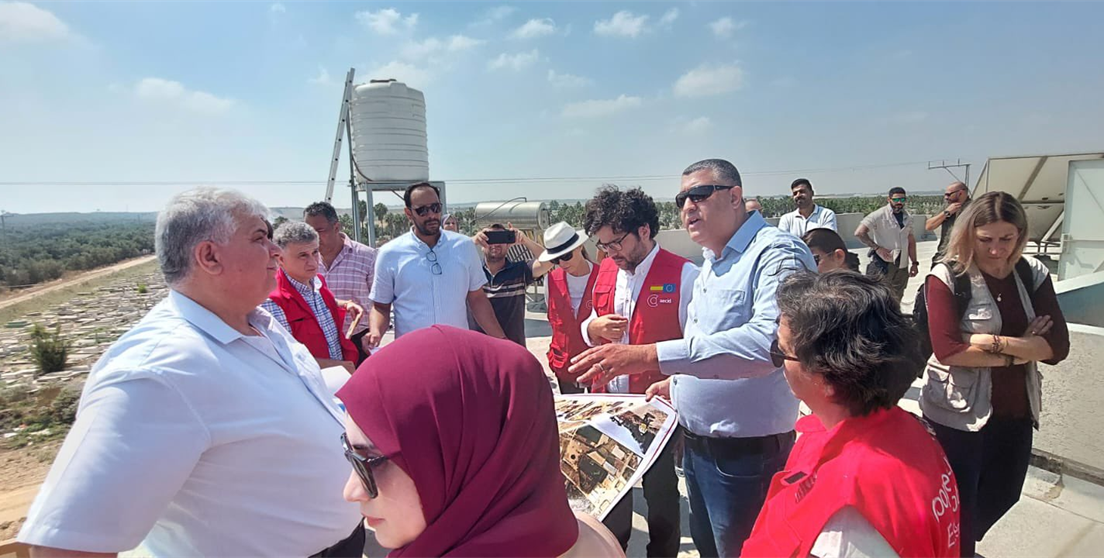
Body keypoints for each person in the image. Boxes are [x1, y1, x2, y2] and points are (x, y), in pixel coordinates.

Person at [17, 189, 362, 557]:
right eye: (260, 238)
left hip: (341, 543)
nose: (276, 251)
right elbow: (64, 546)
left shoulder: (255, 322)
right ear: (209, 256)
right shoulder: (157, 372)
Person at [573, 159, 816, 558]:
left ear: (735, 197)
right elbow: (705, 343)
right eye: (681, 199)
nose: (688, 206)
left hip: (746, 455)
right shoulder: (713, 263)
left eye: (699, 195)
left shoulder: (776, 253)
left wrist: (648, 356)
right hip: (699, 449)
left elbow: (769, 345)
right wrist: (676, 383)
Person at [337, 326, 624, 558]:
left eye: (370, 462)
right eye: (349, 453)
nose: (351, 491)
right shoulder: (592, 535)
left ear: (463, 455)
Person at [743, 270, 960, 558]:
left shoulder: (849, 519)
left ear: (827, 377)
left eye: (781, 351)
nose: (779, 362)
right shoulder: (906, 430)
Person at [920, 191, 1070, 558]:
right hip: (958, 415)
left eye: (1007, 239)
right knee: (959, 506)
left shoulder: (1031, 273)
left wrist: (990, 342)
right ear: (969, 233)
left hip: (1015, 409)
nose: (997, 250)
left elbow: (1058, 347)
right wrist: (1024, 347)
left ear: (1021, 235)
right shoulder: (949, 276)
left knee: (1004, 494)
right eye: (986, 239)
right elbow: (949, 350)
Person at [574, 185, 697, 557]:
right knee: (610, 499)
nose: (610, 252)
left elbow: (698, 350)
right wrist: (592, 328)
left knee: (661, 500)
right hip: (607, 409)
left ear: (644, 230)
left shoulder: (684, 275)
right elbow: (590, 324)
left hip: (656, 410)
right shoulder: (606, 272)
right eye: (603, 245)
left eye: (616, 243)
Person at [367, 182, 506, 346]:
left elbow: (477, 299)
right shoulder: (390, 254)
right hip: (413, 351)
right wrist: (375, 332)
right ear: (408, 213)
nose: (431, 215)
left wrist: (502, 341)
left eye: (435, 208)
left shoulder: (464, 246)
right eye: (422, 210)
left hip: (457, 349)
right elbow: (381, 306)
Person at [262, 221, 360, 373]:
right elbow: (283, 357)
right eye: (303, 255)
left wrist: (343, 304)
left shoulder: (317, 282)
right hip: (309, 382)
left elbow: (313, 306)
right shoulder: (273, 302)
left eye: (315, 252)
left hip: (336, 375)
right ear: (280, 259)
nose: (313, 261)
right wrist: (337, 366)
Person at [304, 201, 377, 363]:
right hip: (317, 342)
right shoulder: (303, 260)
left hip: (359, 341)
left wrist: (373, 333)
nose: (313, 237)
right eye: (309, 232)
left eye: (319, 231)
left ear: (336, 227)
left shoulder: (367, 256)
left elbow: (378, 302)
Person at [540, 221, 600, 395]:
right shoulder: (551, 280)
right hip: (565, 366)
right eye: (555, 259)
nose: (562, 263)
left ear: (579, 247)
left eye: (566, 256)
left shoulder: (604, 276)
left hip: (598, 364)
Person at [470, 223, 554, 347]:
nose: (495, 244)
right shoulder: (471, 272)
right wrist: (472, 241)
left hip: (513, 347)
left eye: (501, 239)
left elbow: (549, 261)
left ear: (509, 244)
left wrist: (525, 240)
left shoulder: (520, 270)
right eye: (490, 239)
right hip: (479, 349)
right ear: (482, 245)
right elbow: (448, 261)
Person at [855, 187, 918, 302]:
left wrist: (914, 263)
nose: (899, 202)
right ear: (889, 199)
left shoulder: (907, 217)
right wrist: (877, 248)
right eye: (896, 199)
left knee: (897, 299)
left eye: (902, 200)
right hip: (883, 265)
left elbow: (911, 241)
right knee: (878, 299)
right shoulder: (879, 215)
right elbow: (859, 233)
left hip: (902, 266)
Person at [926, 181, 971, 266]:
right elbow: (929, 226)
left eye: (948, 194)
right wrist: (946, 213)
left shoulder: (973, 208)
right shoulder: (947, 206)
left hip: (963, 258)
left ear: (960, 193)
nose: (946, 198)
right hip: (943, 255)